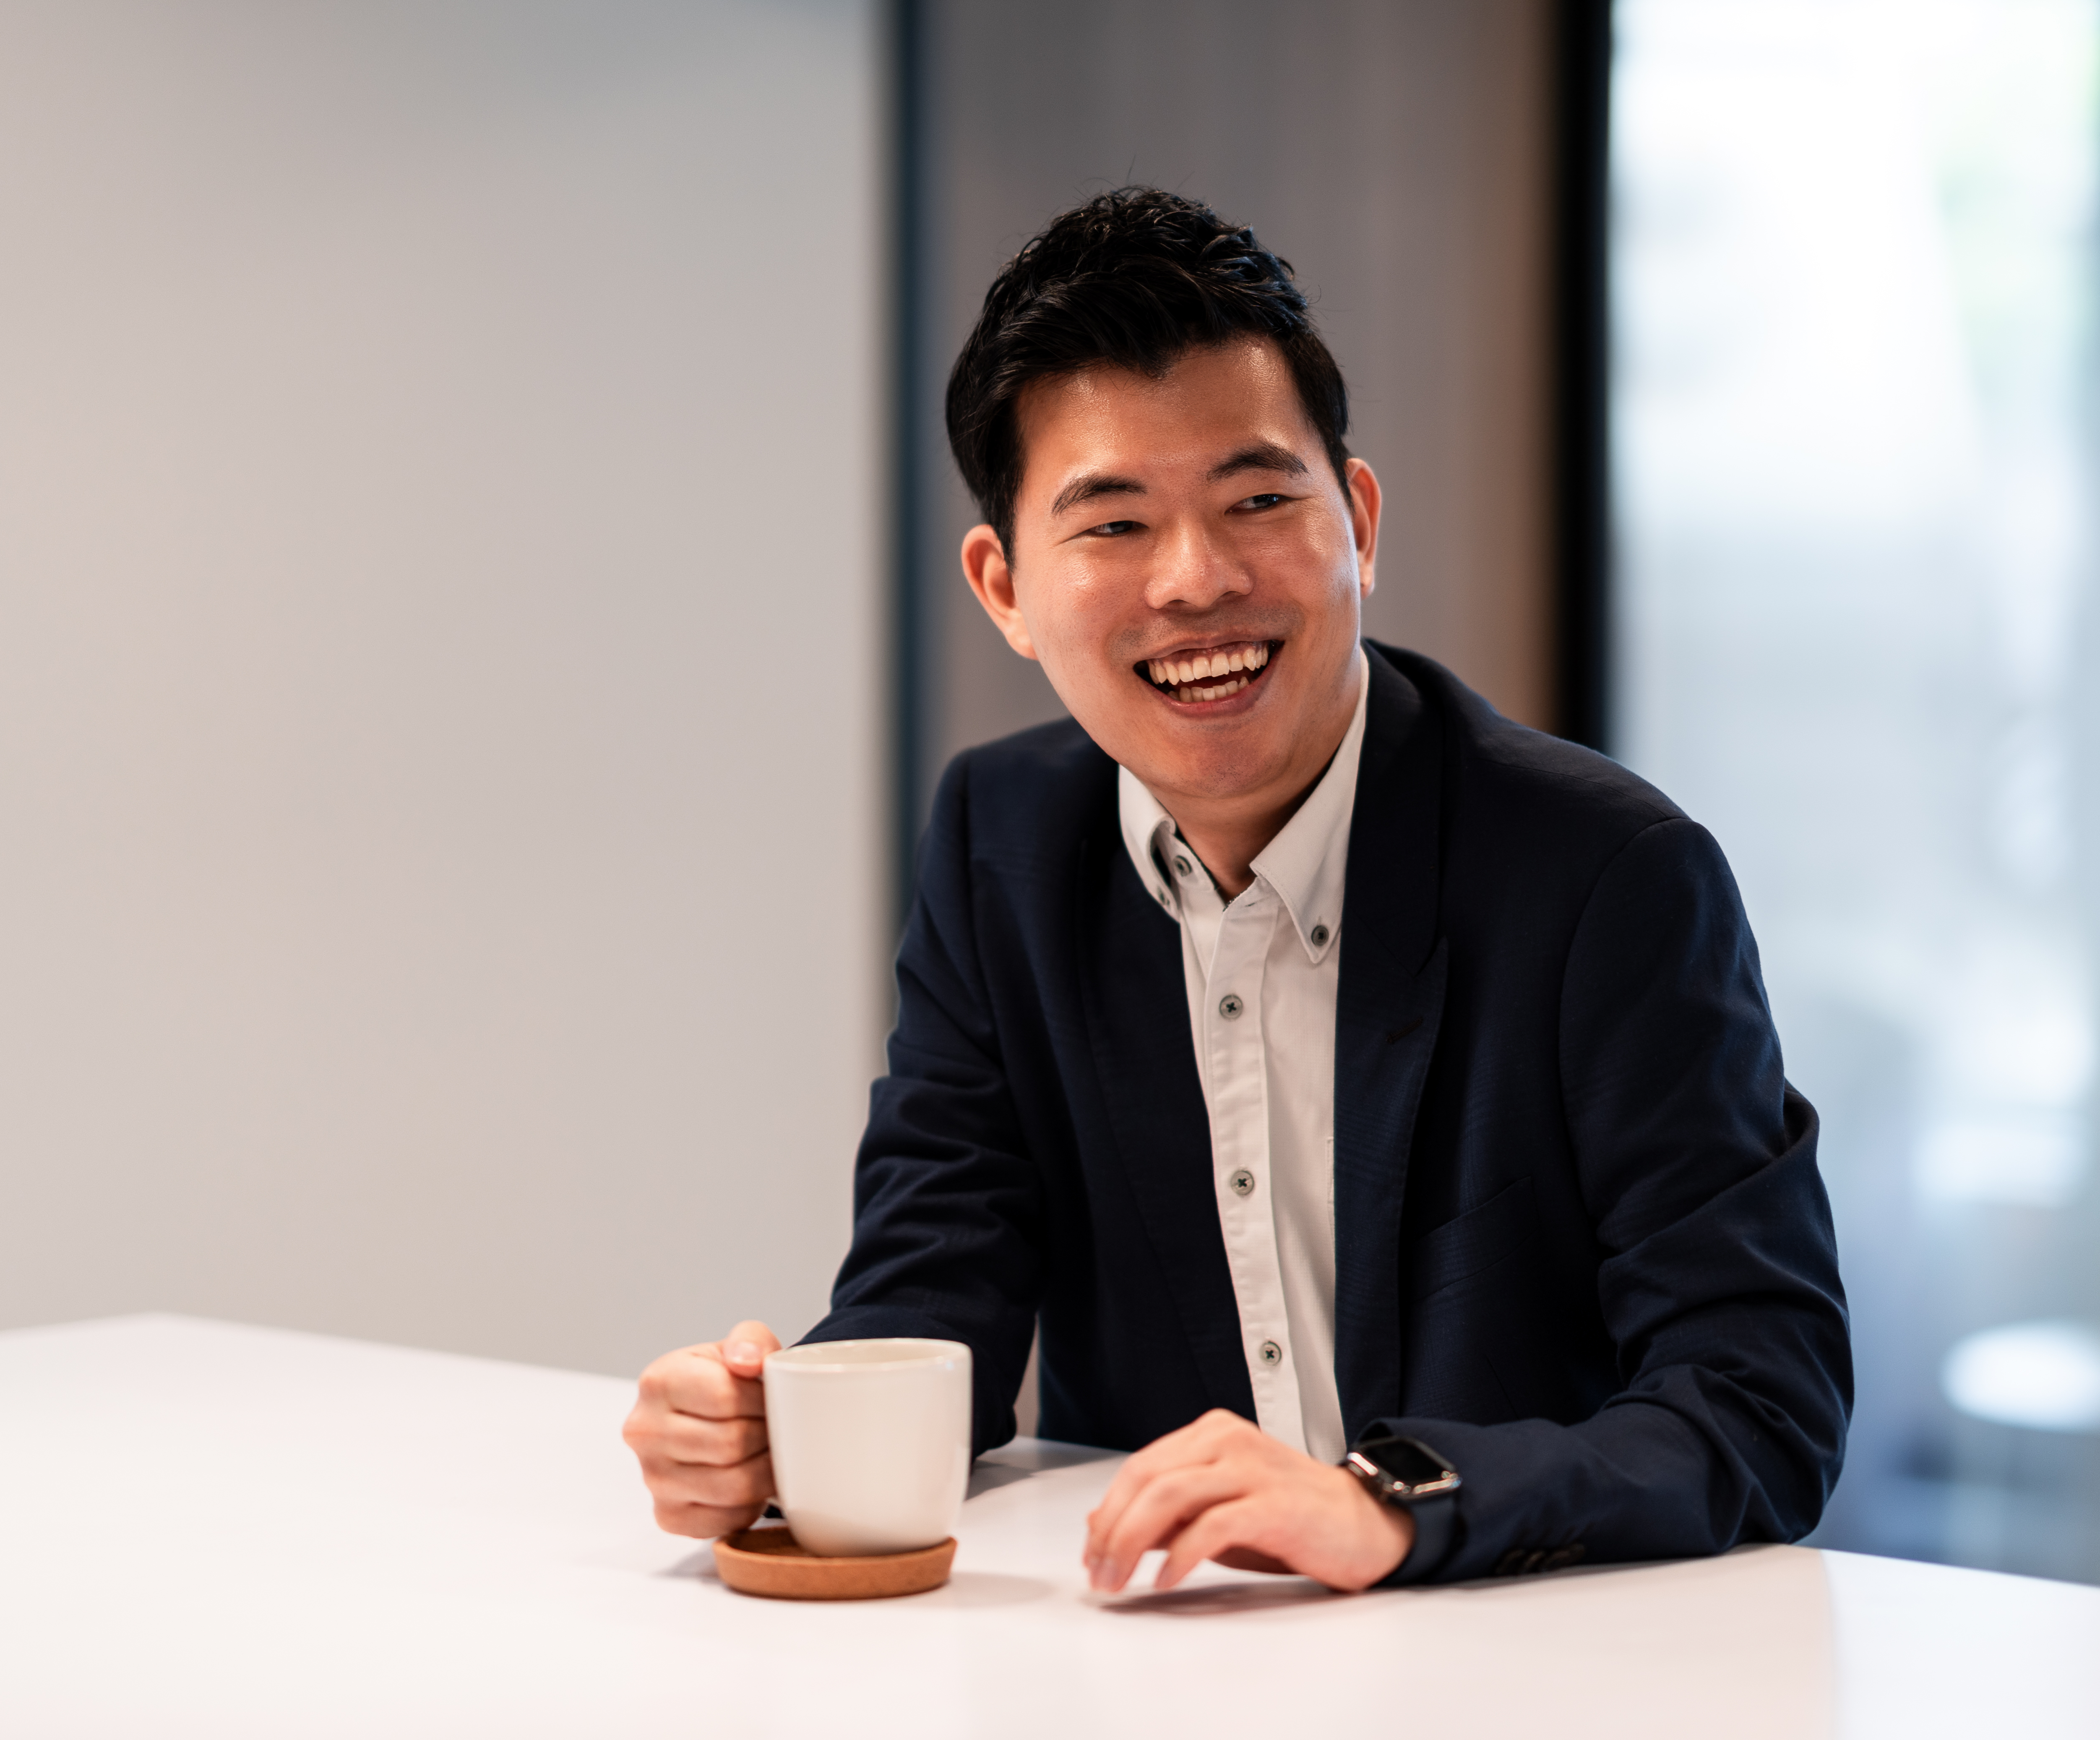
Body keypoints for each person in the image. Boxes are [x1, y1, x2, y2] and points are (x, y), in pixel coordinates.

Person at [623, 187, 1850, 1593]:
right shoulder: (998, 843)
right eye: (1115, 524)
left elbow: (1761, 1402)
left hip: (1524, 1662)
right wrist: (776, 1435)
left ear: (1359, 519)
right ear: (1004, 588)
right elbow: (932, 1301)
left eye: (1258, 499)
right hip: (1166, 1656)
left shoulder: (1609, 878)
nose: (1198, 580)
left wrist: (1390, 1503)